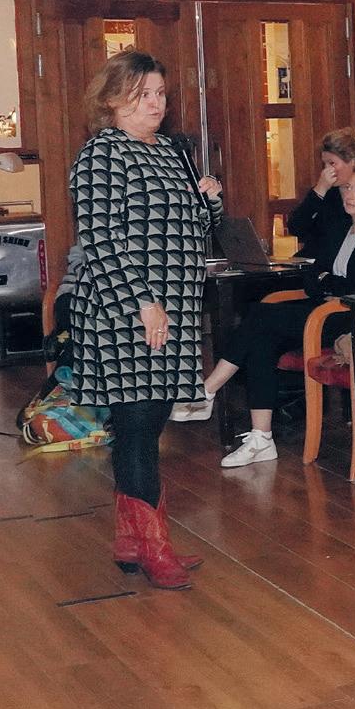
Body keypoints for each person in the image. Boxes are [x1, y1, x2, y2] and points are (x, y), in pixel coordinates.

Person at [67, 50, 220, 590]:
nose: (156, 104)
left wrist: (208, 202)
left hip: (174, 306)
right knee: (136, 426)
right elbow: (101, 239)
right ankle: (155, 548)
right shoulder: (101, 154)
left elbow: (194, 228)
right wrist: (143, 302)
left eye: (160, 94)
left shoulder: (171, 152)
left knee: (150, 421)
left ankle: (132, 540)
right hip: (125, 312)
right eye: (143, 95)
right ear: (113, 99)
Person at [179, 164, 355, 468]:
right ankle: (261, 437)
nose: (349, 195)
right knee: (261, 336)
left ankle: (208, 391)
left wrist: (327, 282)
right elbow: (310, 274)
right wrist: (326, 282)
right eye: (348, 188)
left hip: (353, 317)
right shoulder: (340, 228)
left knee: (260, 317)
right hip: (323, 308)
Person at [284, 128, 355, 259]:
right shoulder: (328, 193)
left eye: (332, 163)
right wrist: (319, 190)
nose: (327, 169)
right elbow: (296, 227)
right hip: (311, 262)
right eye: (324, 164)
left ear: (352, 161)